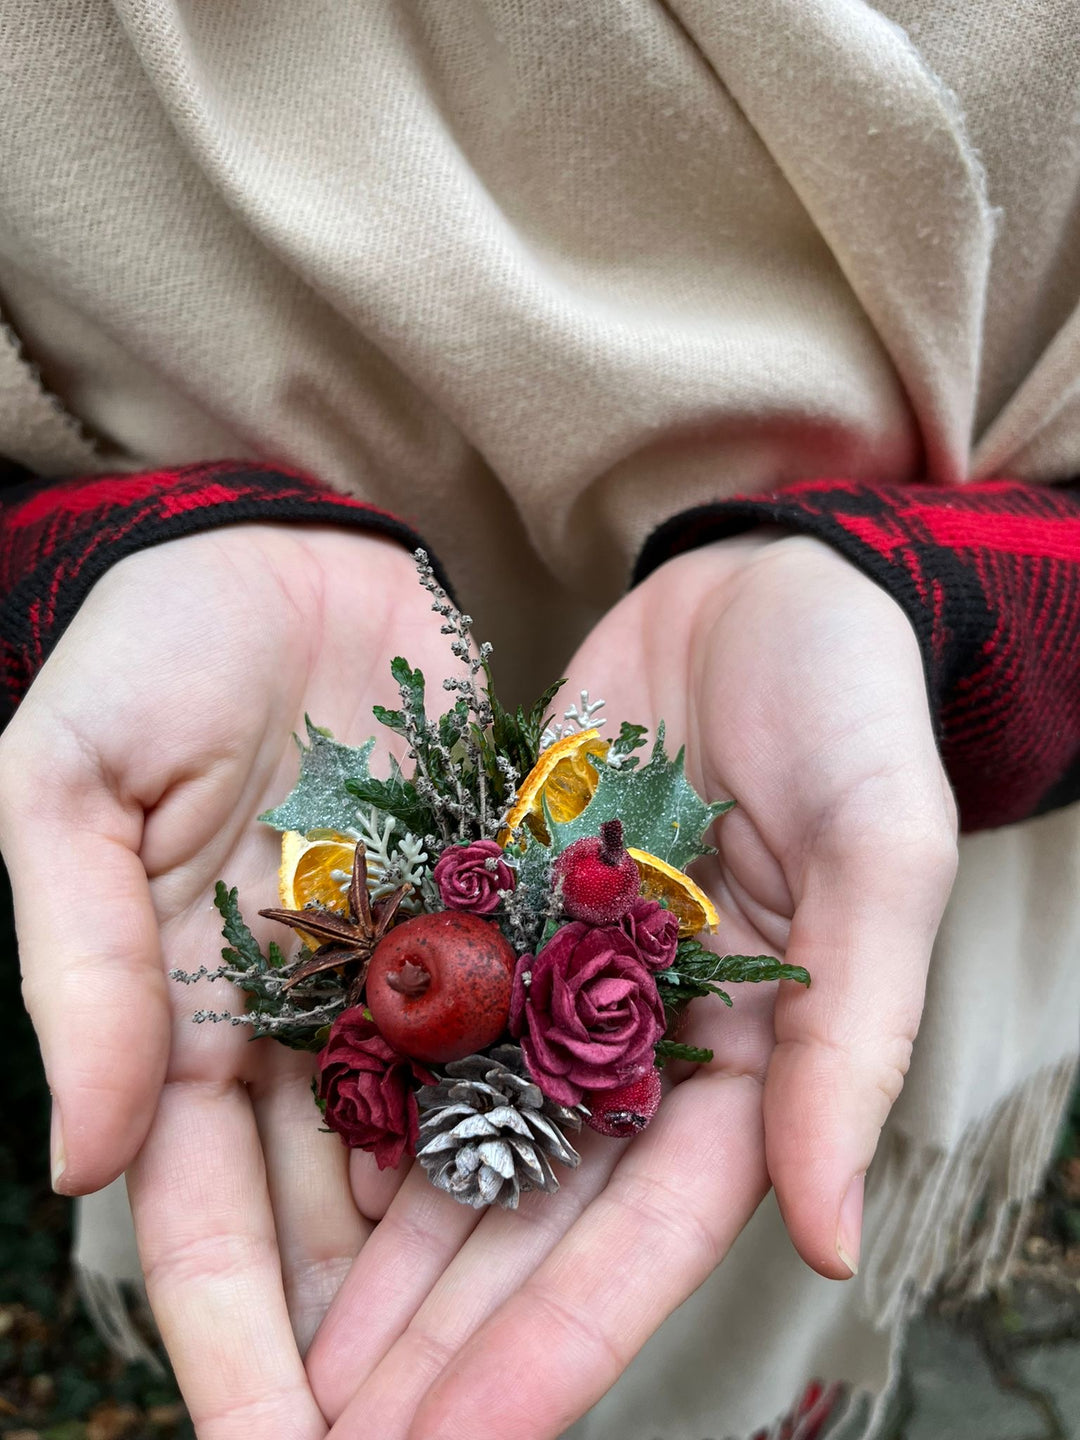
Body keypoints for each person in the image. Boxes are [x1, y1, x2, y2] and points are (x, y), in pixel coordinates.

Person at [1, 3, 1078, 1438]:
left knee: (758, 1221)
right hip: (238, 809)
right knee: (291, 1223)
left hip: (805, 809)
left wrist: (932, 611)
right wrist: (93, 567)